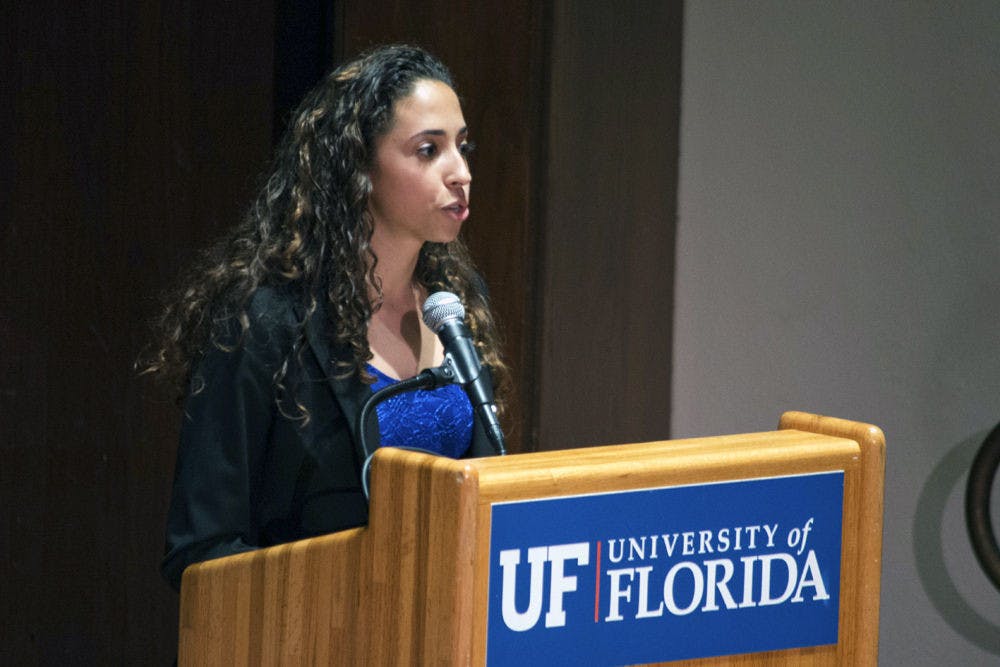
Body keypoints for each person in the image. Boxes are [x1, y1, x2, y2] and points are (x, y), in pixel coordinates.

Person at [141, 45, 508, 592]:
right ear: (358, 166)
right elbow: (202, 549)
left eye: (462, 145)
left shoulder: (454, 304)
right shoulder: (263, 320)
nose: (461, 173)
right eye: (429, 150)